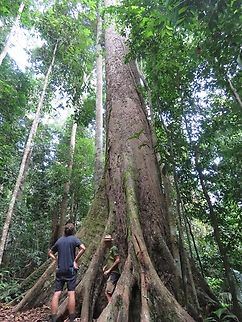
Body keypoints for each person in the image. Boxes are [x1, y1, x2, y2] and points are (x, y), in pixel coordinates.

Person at [48, 223, 86, 322]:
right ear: (73, 231)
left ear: (64, 231)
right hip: (70, 270)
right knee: (71, 293)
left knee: (57, 293)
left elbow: (50, 252)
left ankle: (53, 317)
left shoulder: (60, 240)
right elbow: (83, 248)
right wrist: (75, 259)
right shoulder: (74, 239)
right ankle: (72, 318)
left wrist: (55, 260)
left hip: (60, 270)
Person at [102, 234, 120, 303]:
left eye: (107, 242)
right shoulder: (110, 249)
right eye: (105, 242)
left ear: (110, 242)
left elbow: (117, 260)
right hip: (112, 272)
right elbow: (111, 260)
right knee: (108, 291)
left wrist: (109, 270)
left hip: (115, 272)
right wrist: (106, 266)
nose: (106, 243)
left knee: (108, 292)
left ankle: (111, 306)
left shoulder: (114, 248)